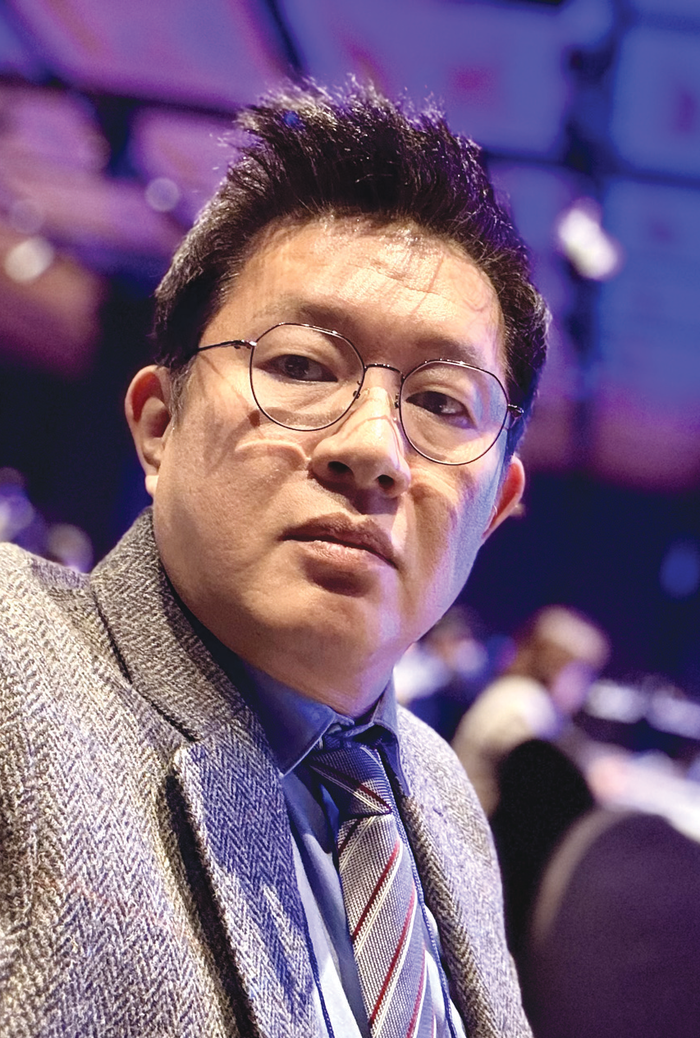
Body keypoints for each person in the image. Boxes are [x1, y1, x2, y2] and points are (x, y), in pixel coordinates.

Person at [0, 80, 547, 1038]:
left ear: (495, 510)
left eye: (442, 402)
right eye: (300, 365)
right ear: (159, 426)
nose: (373, 448)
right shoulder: (18, 673)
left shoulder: (443, 794)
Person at [452, 605, 610, 814]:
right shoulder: (523, 707)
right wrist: (591, 783)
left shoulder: (517, 693)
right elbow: (539, 789)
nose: (587, 688)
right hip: (479, 824)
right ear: (555, 668)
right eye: (584, 675)